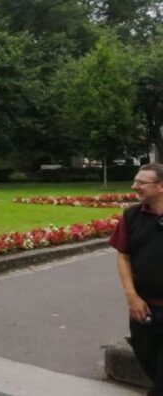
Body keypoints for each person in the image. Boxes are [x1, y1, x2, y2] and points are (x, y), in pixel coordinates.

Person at [110, 163, 163, 394]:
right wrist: (132, 297)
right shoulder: (131, 215)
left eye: (141, 183)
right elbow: (124, 256)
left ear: (160, 186)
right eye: (136, 181)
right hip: (145, 309)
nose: (134, 187)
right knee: (149, 360)